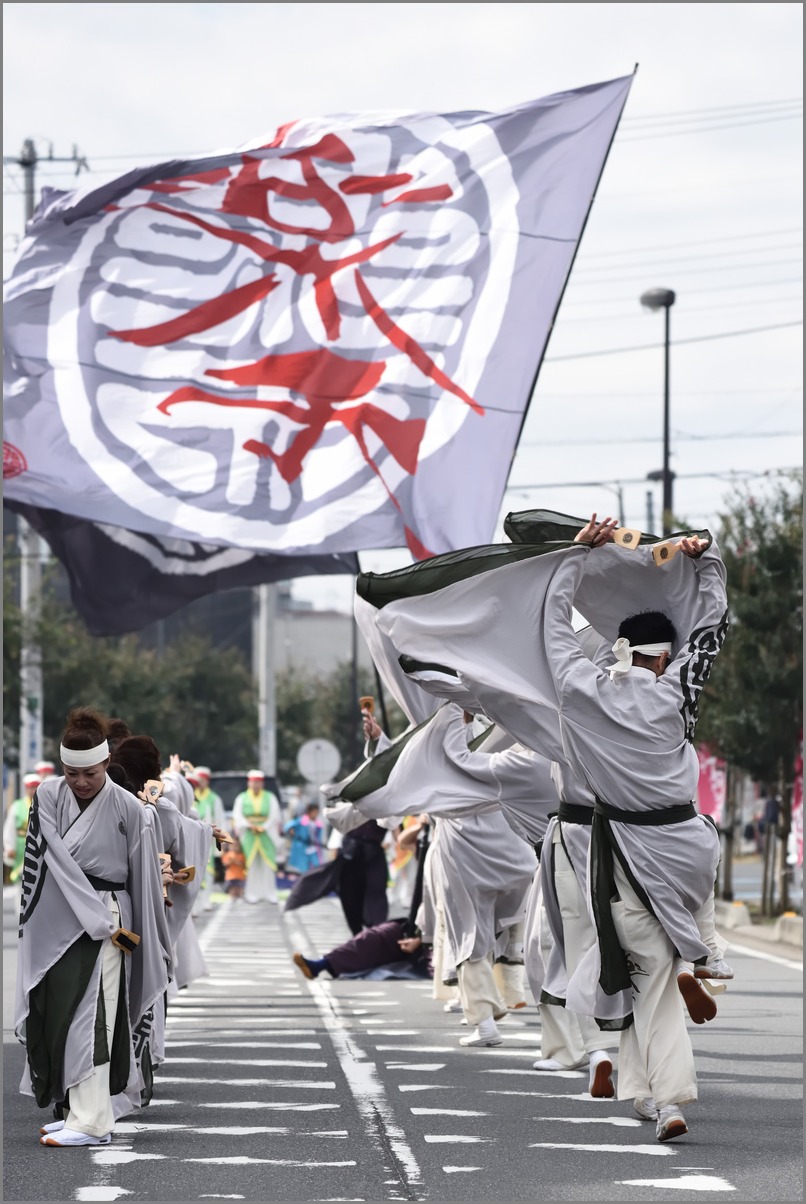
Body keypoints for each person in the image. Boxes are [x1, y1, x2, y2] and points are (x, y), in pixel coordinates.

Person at [16, 706, 171, 1148]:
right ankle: (72, 1110)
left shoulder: (131, 808)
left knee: (95, 1016)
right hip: (63, 914)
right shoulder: (46, 796)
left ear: (106, 763)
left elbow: (142, 877)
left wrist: (146, 933)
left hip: (109, 921)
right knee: (58, 1011)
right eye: (71, 773)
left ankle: (92, 1121)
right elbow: (51, 865)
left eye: (90, 772)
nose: (81, 782)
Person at [292, 817, 431, 980]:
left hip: (439, 936)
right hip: (421, 925)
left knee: (377, 912)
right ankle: (321, 964)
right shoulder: (430, 840)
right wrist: (423, 823)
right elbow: (404, 840)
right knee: (379, 933)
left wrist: (423, 939)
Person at [231, 770, 283, 903]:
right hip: (249, 835)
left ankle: (270, 893)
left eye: (258, 782)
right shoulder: (242, 797)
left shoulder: (270, 797)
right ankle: (252, 894)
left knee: (268, 864)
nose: (256, 785)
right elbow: (237, 816)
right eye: (253, 782)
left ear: (262, 784)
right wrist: (249, 825)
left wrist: (264, 827)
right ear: (249, 783)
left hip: (266, 834)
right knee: (251, 865)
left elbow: (274, 815)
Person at [192, 766, 226, 910]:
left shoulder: (214, 798)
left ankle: (207, 899)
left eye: (203, 780)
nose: (200, 783)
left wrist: (220, 840)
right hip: (192, 837)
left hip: (208, 839)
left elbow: (220, 819)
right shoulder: (191, 795)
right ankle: (195, 901)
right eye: (198, 780)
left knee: (209, 870)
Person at [4, 773, 40, 897]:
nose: (32, 790)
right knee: (20, 882)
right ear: (26, 789)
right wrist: (10, 847)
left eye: (35, 787)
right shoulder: (17, 806)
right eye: (30, 787)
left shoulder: (44, 805)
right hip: (20, 846)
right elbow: (9, 828)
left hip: (38, 846)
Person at [284, 802, 326, 877]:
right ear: (309, 811)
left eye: (317, 812)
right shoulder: (301, 820)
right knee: (303, 870)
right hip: (303, 848)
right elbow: (287, 825)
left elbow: (318, 837)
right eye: (314, 811)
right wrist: (291, 829)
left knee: (317, 867)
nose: (315, 813)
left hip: (314, 848)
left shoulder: (318, 823)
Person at [221, 836, 247, 902]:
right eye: (233, 845)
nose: (235, 846)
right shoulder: (227, 854)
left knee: (240, 888)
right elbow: (225, 864)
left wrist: (236, 861)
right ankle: (232, 897)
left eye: (236, 845)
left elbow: (243, 864)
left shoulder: (241, 855)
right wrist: (231, 861)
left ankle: (240, 897)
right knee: (232, 888)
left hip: (240, 876)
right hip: (231, 876)